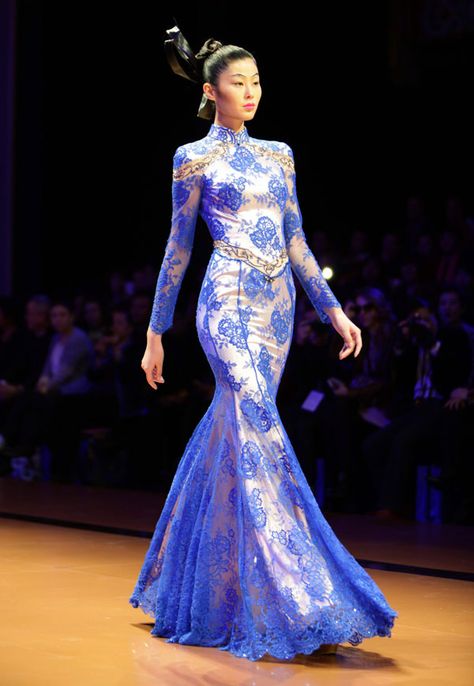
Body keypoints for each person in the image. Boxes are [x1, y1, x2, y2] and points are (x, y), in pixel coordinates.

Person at [128, 25, 398, 662]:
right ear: (209, 90)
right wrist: (155, 329)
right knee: (259, 426)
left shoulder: (279, 154)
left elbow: (297, 238)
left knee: (239, 432)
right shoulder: (191, 157)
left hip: (277, 308)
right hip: (225, 303)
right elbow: (179, 246)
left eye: (256, 82)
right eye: (238, 83)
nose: (251, 92)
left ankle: (200, 588)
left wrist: (333, 310)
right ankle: (293, 591)